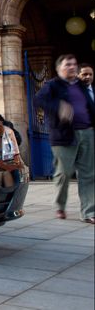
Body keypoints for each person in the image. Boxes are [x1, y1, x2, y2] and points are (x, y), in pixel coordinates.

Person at [34, 54, 94, 224]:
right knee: (64, 173)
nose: (72, 67)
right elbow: (38, 100)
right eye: (68, 64)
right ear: (59, 68)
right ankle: (60, 205)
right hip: (64, 135)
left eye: (74, 64)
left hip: (87, 132)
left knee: (89, 174)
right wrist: (58, 107)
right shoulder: (52, 85)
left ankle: (89, 212)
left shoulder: (82, 85)